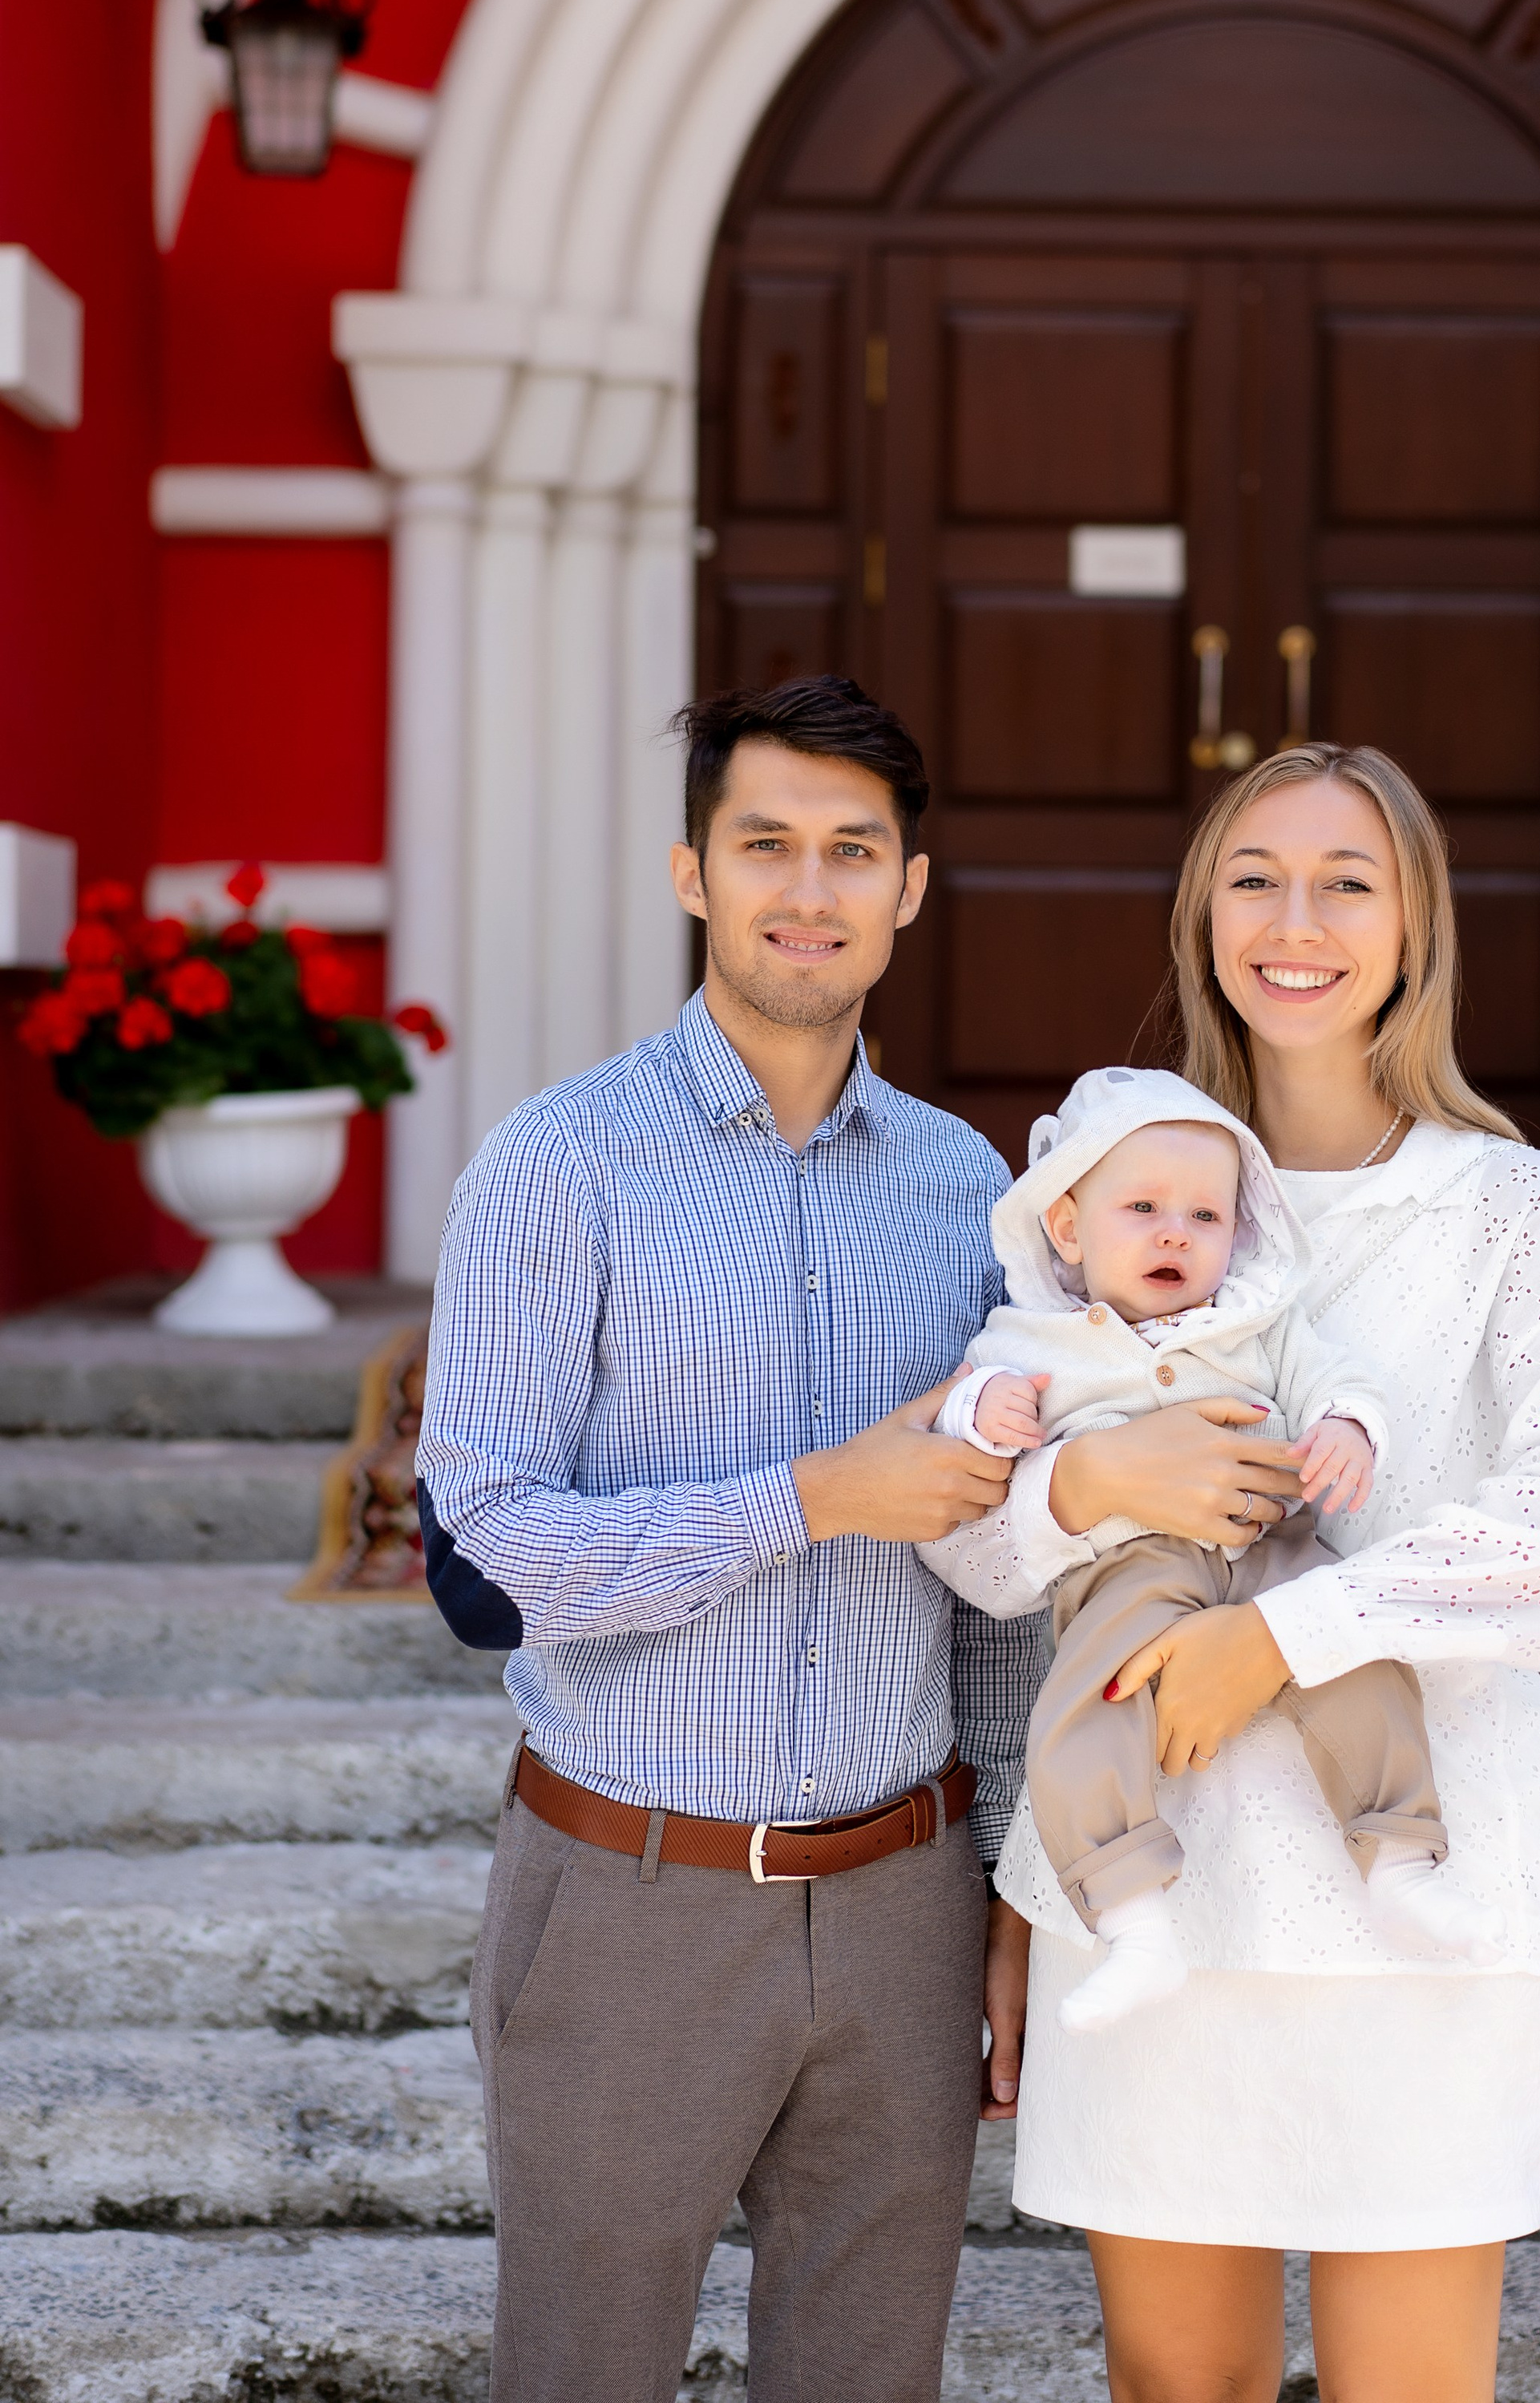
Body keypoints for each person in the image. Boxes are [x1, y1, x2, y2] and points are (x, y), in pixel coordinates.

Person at [923, 741, 1540, 2403]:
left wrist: (1285, 1639)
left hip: (1419, 1910)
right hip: (1152, 1909)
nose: (1294, 920)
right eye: (1251, 878)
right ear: (1200, 922)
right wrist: (1084, 1483)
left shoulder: (1503, 1209)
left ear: (1413, 929)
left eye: (1347, 881)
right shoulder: (1103, 1206)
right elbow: (970, 1558)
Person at [414, 674, 1043, 2403]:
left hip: (907, 1901)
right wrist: (811, 1501)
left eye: (854, 851)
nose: (808, 889)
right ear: (691, 870)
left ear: (909, 887)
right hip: (632, 1896)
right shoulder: (555, 1168)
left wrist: (1010, 1892)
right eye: (764, 843)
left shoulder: (966, 1190)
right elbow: (498, 1540)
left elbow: (999, 1585)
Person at [932, 1063, 1503, 2033]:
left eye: (1204, 1217)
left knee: (1355, 1659)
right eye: (1142, 1207)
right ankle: (1131, 1913)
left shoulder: (1257, 1321)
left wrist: (1346, 1428)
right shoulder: (1032, 1336)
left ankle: (1401, 1852)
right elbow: (962, 1423)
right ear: (1068, 1227)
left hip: (1273, 1546)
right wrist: (983, 1412)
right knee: (1086, 1705)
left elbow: (1336, 1375)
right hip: (1133, 1569)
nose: (1172, 1233)